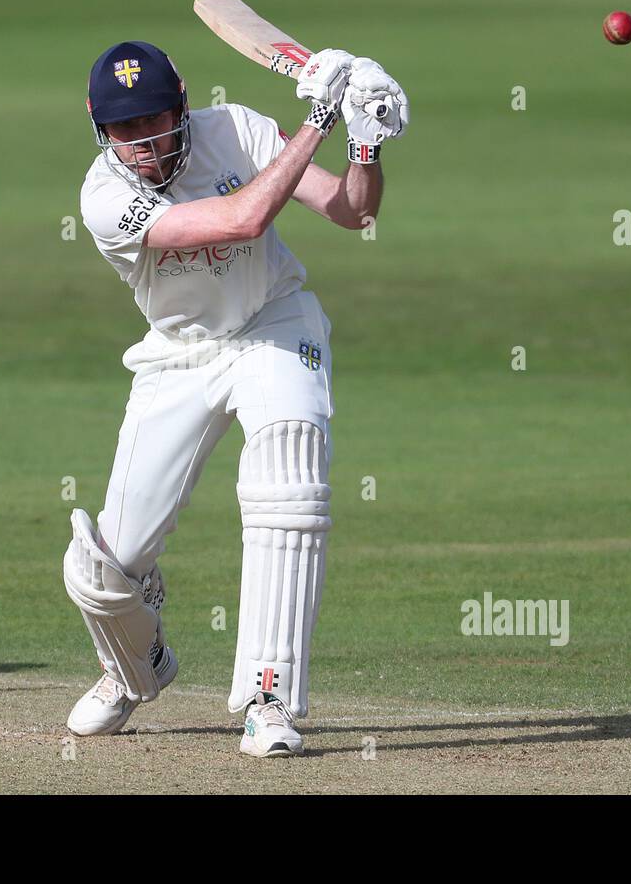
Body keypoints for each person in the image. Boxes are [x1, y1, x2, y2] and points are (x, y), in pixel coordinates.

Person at [63, 38, 407, 757]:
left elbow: (351, 212)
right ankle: (134, 665)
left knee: (290, 472)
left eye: (156, 120)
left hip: (273, 324)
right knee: (105, 569)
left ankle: (268, 697)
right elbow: (240, 221)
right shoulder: (104, 197)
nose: (145, 142)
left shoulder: (241, 131)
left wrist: (366, 142)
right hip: (179, 353)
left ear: (182, 106)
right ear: (102, 132)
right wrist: (322, 115)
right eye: (126, 130)